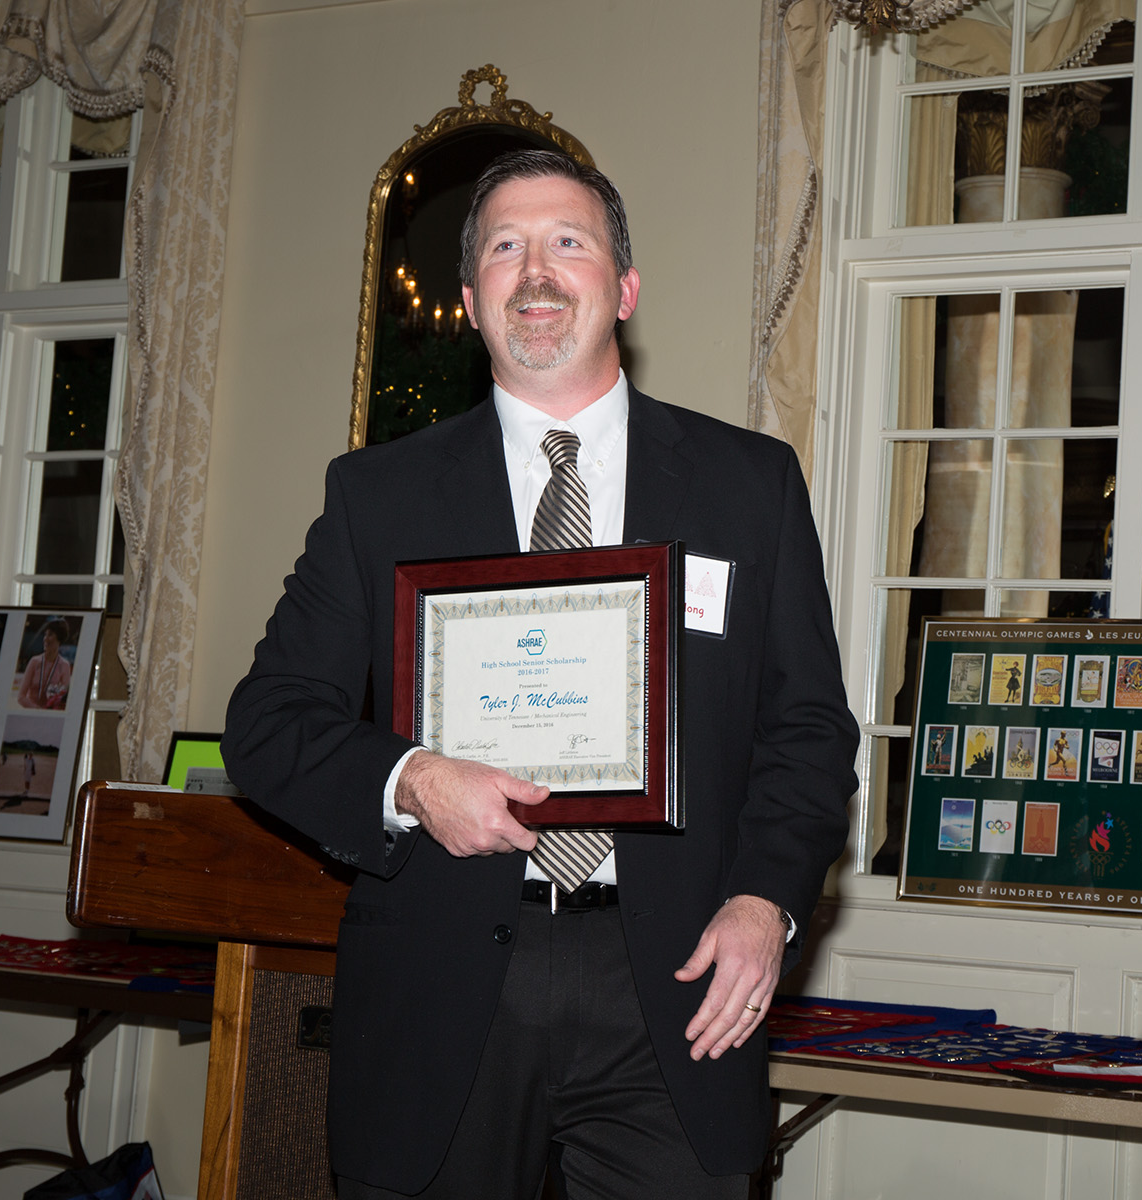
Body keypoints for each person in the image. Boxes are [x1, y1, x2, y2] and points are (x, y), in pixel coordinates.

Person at [225, 149, 859, 1199]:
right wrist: (414, 779)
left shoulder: (748, 486)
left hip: (678, 985)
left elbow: (808, 730)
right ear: (471, 302)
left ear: (625, 288)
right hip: (444, 984)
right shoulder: (376, 497)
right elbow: (269, 723)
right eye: (505, 249)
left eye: (569, 242)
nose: (537, 271)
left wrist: (764, 903)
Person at [17, 619, 71, 710]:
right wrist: (37, 709)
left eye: (50, 635)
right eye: (45, 634)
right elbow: (21, 697)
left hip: (50, 717)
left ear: (59, 638)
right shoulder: (34, 662)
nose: (45, 638)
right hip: (31, 714)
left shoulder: (64, 665)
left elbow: (63, 699)